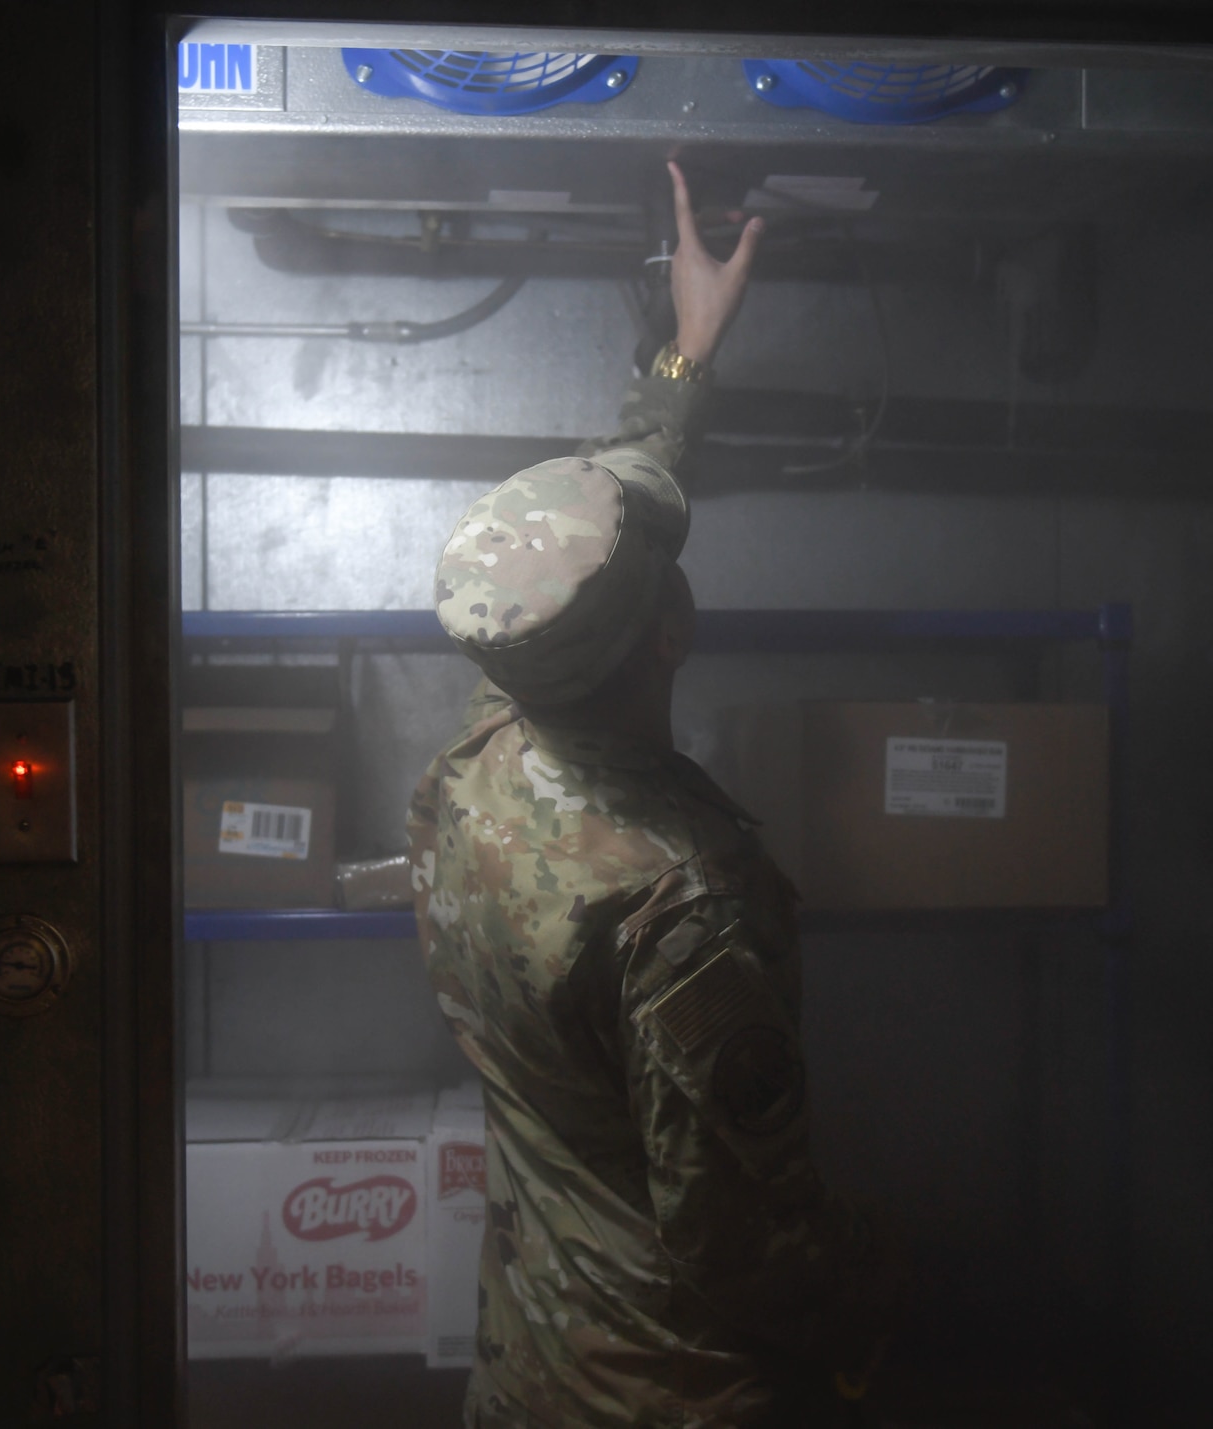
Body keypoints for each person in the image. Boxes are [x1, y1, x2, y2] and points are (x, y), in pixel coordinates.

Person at [409, 162, 897, 1429]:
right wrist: (873, 1287)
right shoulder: (683, 904)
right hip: (670, 1397)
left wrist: (687, 349)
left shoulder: (484, 750)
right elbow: (743, 1245)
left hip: (525, 1371)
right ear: (673, 628)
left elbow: (609, 518)